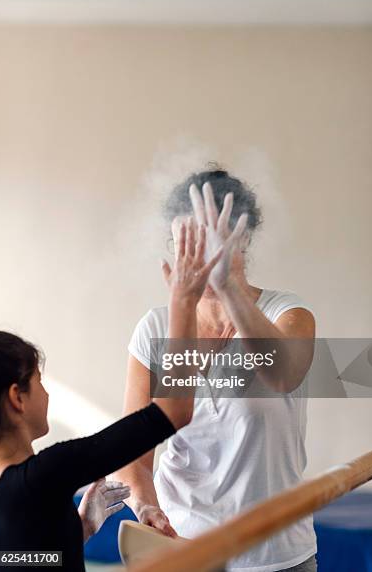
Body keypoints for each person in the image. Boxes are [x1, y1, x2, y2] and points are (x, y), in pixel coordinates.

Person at [0, 217, 243, 571]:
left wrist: (78, 528)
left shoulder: (7, 492)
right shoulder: (46, 473)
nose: (47, 394)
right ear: (17, 398)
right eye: (39, 382)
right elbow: (174, 410)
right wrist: (183, 302)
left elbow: (14, 561)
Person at [116, 168, 318, 572]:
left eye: (207, 240)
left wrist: (228, 288)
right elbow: (134, 453)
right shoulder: (155, 328)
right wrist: (145, 504)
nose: (195, 255)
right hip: (184, 550)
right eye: (183, 242)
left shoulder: (286, 313)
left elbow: (284, 374)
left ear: (241, 238)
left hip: (274, 556)